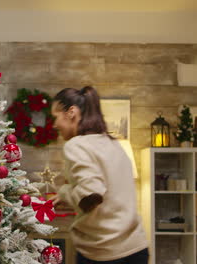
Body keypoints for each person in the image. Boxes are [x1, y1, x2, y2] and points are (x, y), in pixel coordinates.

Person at [50, 86, 149, 264]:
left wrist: (65, 192)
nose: (54, 124)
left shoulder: (76, 145)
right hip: (137, 249)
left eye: (56, 117)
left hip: (103, 252)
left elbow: (91, 194)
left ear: (71, 112)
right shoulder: (114, 143)